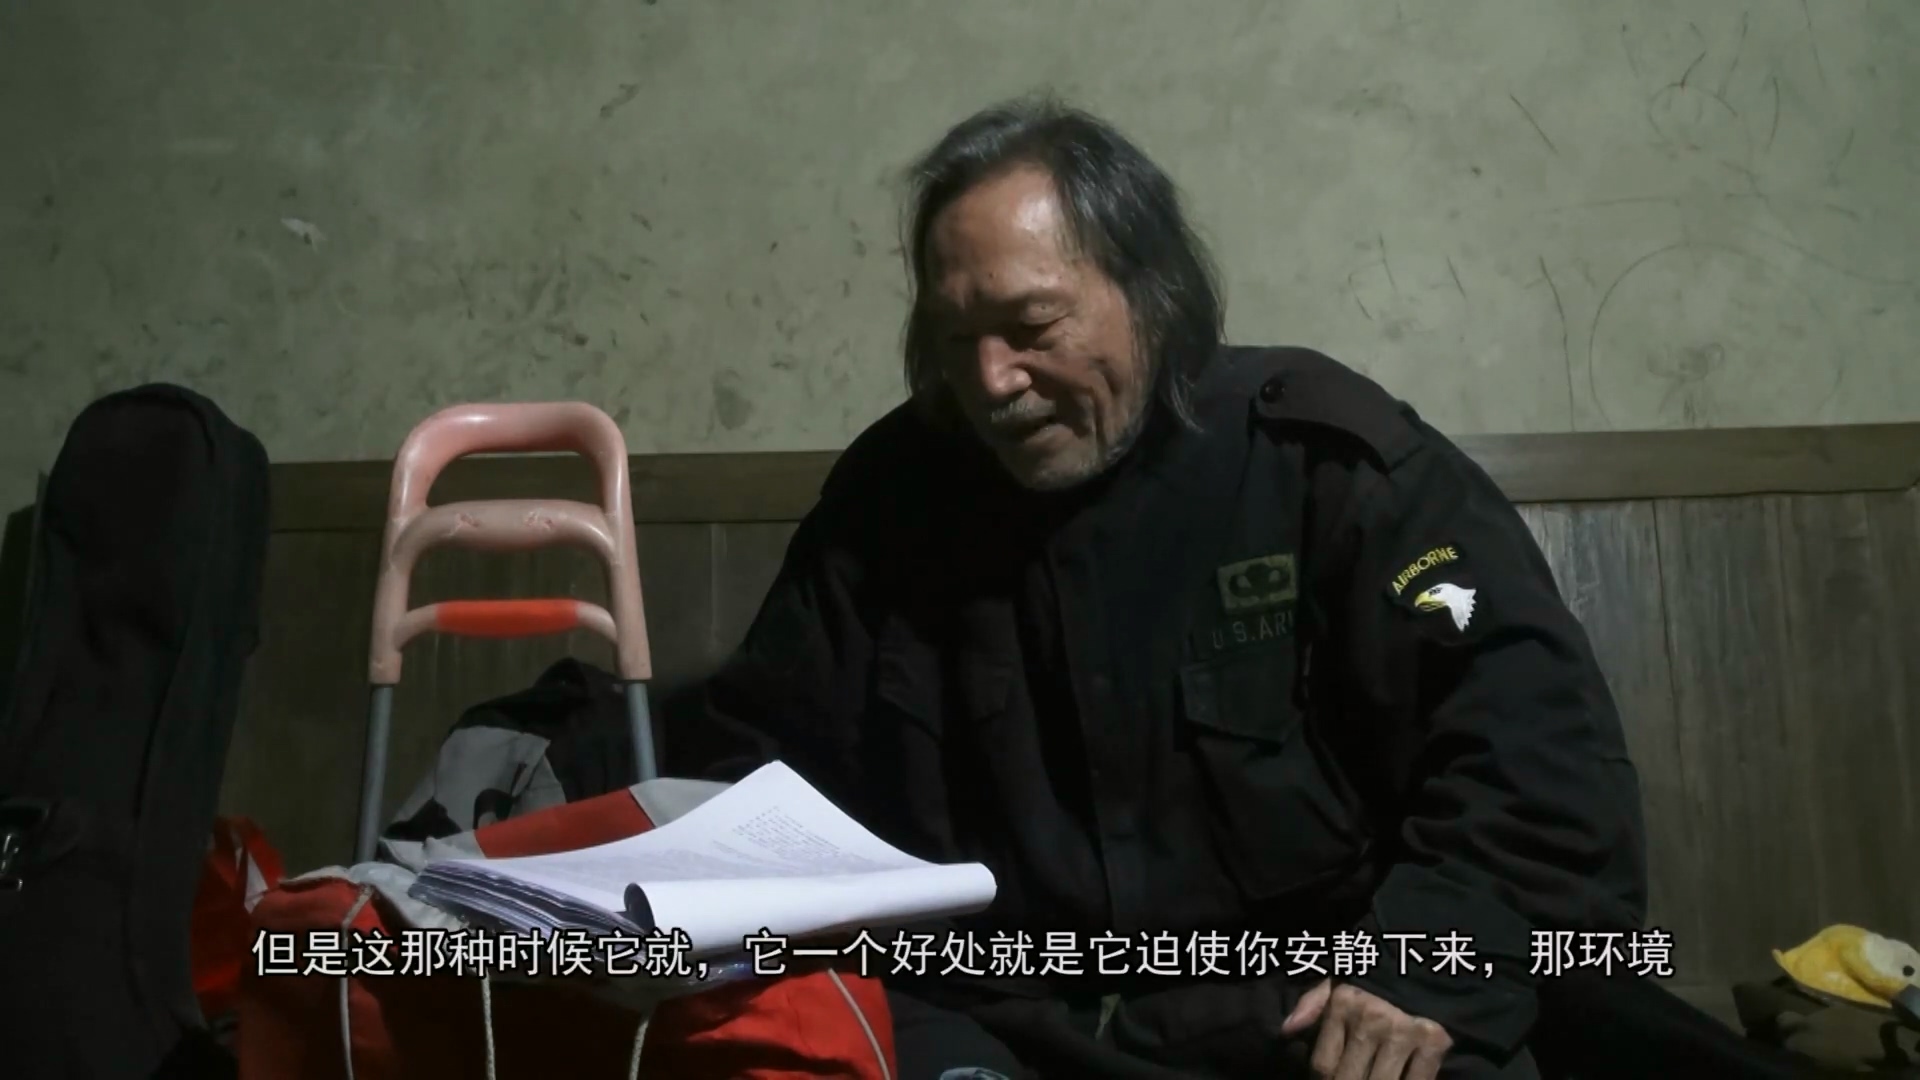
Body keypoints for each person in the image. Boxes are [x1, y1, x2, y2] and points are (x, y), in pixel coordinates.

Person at [672, 95, 1649, 1080]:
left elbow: (1535, 756)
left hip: (1303, 1015)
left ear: (1153, 292)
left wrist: (1421, 971)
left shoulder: (1324, 469)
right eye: (956, 338)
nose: (993, 380)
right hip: (998, 1029)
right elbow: (755, 780)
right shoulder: (886, 505)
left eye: (1031, 325)